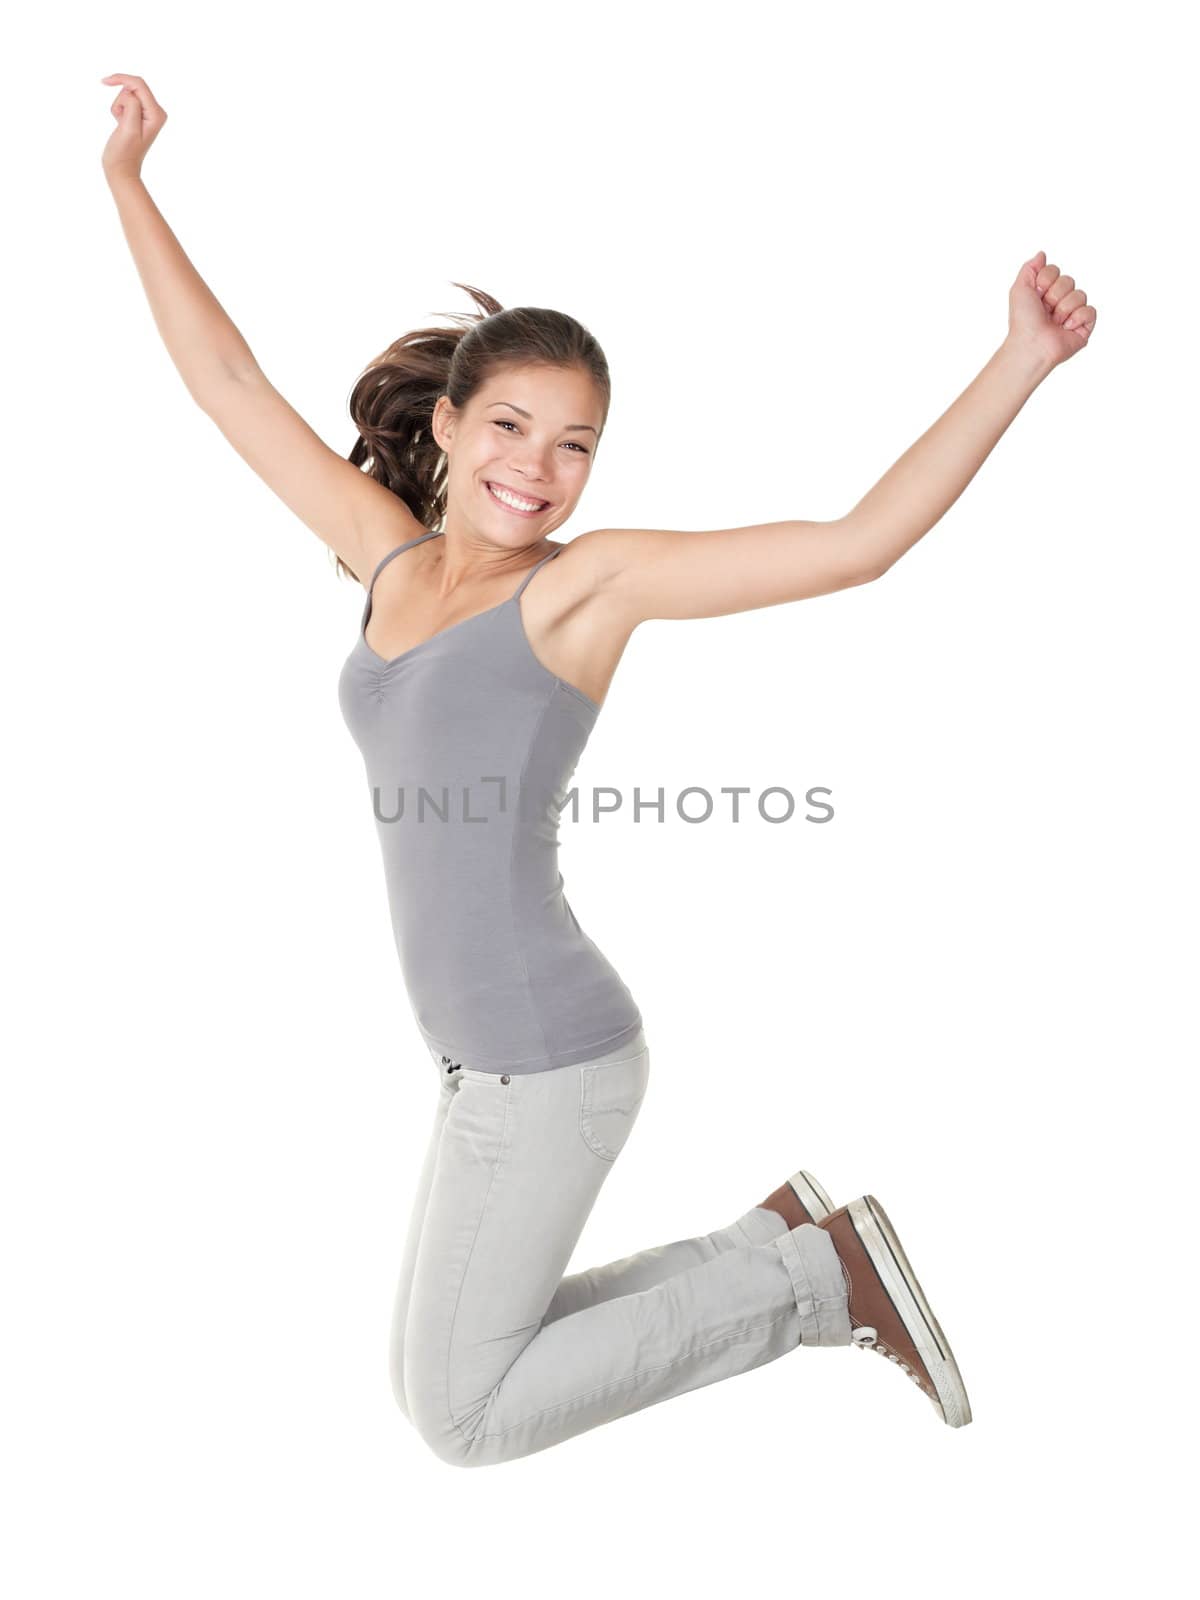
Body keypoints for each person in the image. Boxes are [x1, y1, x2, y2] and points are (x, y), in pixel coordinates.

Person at [101, 71, 1098, 1466]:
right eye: (510, 426)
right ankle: (779, 1240)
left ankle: (817, 1283)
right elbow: (225, 385)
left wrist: (1018, 360)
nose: (541, 467)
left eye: (576, 445)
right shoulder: (386, 559)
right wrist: (131, 183)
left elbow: (857, 541)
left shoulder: (582, 592)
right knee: (441, 1378)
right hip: (486, 1061)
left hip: (550, 1052)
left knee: (463, 1416)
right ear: (447, 427)